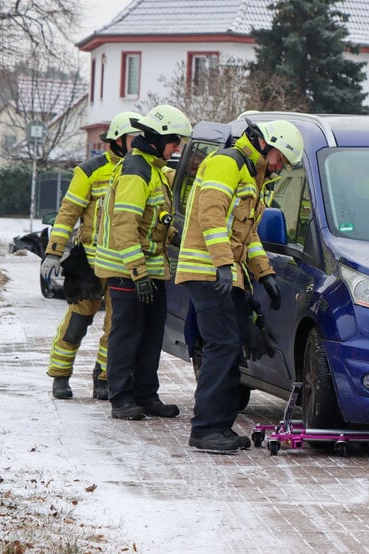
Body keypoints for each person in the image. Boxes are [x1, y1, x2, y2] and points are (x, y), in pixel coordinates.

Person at [177, 118, 303, 452]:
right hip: (207, 271)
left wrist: (265, 274)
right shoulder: (227, 163)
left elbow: (249, 234)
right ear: (266, 143)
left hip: (224, 273)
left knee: (230, 348)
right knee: (222, 347)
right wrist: (221, 264)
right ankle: (206, 429)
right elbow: (211, 217)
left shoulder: (252, 174)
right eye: (280, 158)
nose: (279, 167)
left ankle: (218, 426)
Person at [94, 104, 192, 420]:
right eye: (175, 141)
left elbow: (153, 220)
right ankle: (121, 398)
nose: (176, 148)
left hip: (150, 269)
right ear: (160, 138)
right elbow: (125, 226)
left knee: (150, 336)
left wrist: (175, 236)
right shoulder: (136, 170)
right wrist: (138, 273)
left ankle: (146, 395)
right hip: (128, 270)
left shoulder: (153, 168)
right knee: (127, 335)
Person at [41, 112, 139, 400]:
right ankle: (60, 375)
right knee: (77, 322)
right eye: (134, 138)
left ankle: (104, 378)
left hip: (121, 263)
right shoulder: (90, 171)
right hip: (89, 264)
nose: (138, 144)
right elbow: (68, 213)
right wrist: (54, 251)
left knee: (115, 327)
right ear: (118, 140)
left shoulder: (138, 171)